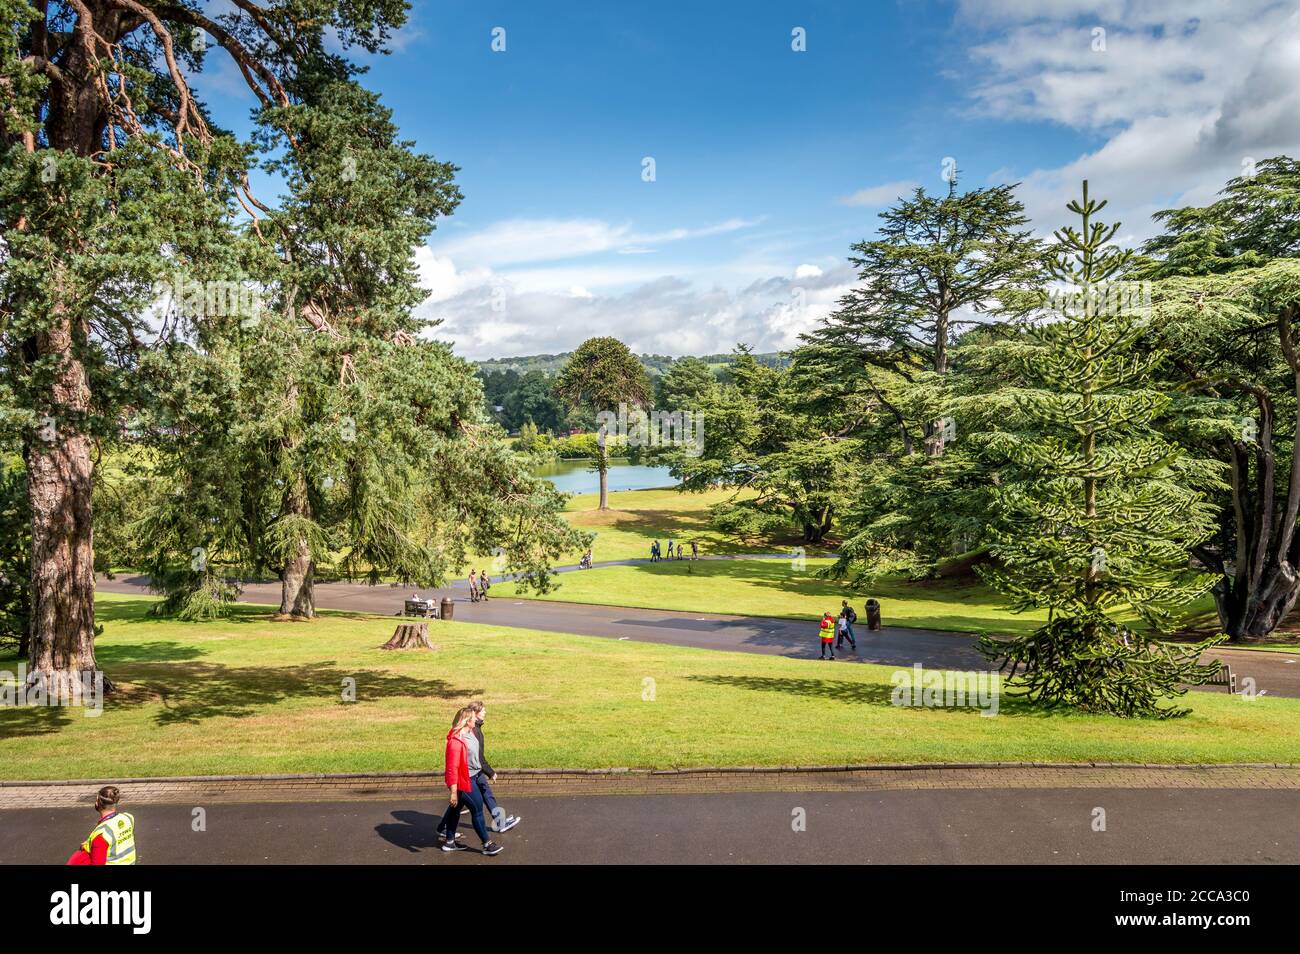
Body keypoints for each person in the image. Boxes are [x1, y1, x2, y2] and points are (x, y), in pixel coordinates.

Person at [437, 708, 503, 856]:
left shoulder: (471, 732)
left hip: (474, 776)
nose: (476, 720)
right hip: (464, 781)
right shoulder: (456, 741)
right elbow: (452, 769)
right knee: (477, 810)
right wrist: (453, 792)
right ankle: (487, 844)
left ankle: (449, 842)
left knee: (455, 811)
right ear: (467, 721)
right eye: (474, 718)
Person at [463, 701, 520, 833]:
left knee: (486, 794)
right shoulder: (475, 731)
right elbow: (479, 756)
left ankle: (500, 822)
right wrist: (490, 772)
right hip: (472, 772)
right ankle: (444, 828)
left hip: (474, 771)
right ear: (476, 714)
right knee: (460, 804)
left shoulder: (476, 728)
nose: (485, 712)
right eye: (483, 711)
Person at [67, 786, 137, 865]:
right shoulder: (128, 818)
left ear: (98, 803)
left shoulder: (101, 835)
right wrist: (90, 844)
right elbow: (118, 841)